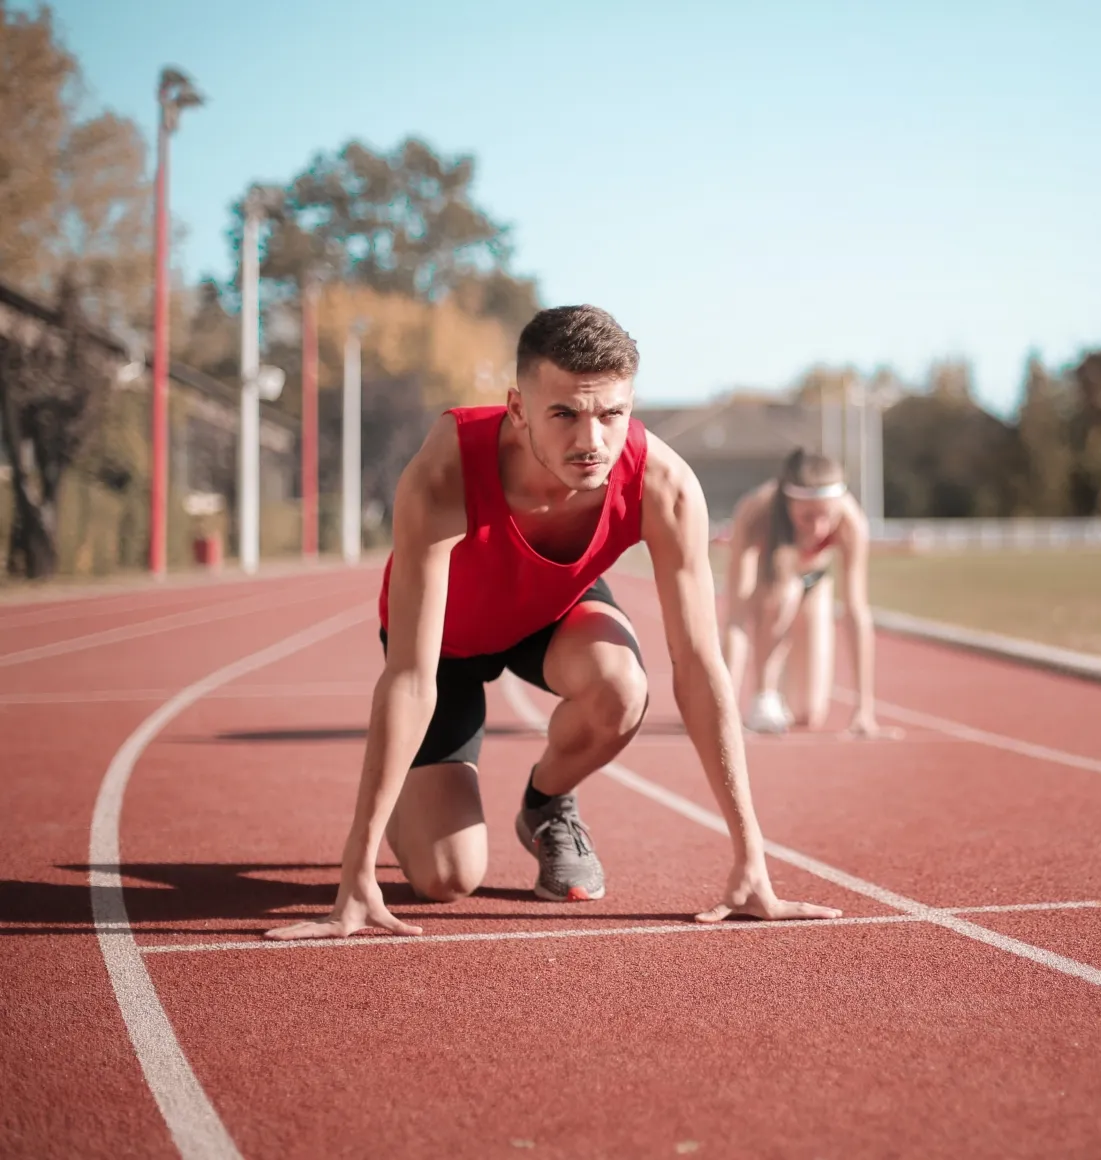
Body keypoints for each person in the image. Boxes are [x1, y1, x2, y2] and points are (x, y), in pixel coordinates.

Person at [267, 306, 840, 941]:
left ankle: (546, 804)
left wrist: (751, 861)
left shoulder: (664, 485)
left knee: (623, 687)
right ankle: (409, 790)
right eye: (564, 413)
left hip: (551, 614)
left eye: (611, 414)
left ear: (630, 405)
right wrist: (356, 873)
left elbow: (701, 667)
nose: (591, 440)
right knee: (447, 879)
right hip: (446, 644)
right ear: (518, 408)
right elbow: (409, 676)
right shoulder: (446, 469)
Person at [721, 448, 882, 736]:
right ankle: (764, 695)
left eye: (827, 516)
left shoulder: (851, 522)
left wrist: (864, 709)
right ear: (788, 503)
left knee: (807, 714)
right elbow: (736, 617)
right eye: (808, 517)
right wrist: (723, 705)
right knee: (786, 593)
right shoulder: (756, 512)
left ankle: (784, 691)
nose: (819, 529)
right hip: (769, 584)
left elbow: (856, 612)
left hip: (816, 582)